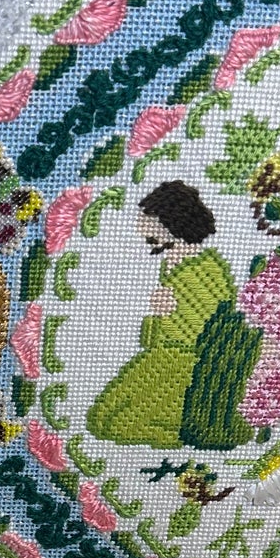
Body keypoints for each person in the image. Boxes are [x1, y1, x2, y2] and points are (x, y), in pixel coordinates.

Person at [87, 180, 258, 452]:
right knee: (101, 419)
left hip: (185, 367)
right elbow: (153, 337)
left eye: (150, 223)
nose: (144, 228)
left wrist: (167, 312)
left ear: (172, 224)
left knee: (116, 424)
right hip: (161, 356)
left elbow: (209, 329)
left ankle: (182, 434)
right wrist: (159, 316)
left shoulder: (207, 270)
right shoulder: (172, 264)